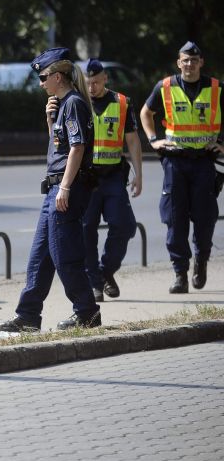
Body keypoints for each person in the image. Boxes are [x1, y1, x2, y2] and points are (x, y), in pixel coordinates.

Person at [0, 47, 101, 332]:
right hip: (54, 190)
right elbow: (61, 147)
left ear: (57, 76)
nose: (41, 83)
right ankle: (28, 316)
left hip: (65, 189)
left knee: (65, 256)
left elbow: (77, 149)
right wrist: (49, 122)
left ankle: (87, 313)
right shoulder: (62, 106)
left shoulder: (74, 103)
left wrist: (65, 187)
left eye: (43, 77)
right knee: (40, 257)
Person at [139, 41, 223, 294]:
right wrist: (154, 140)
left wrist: (221, 144)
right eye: (185, 60)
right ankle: (180, 274)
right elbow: (145, 113)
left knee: (205, 218)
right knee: (175, 221)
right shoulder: (165, 86)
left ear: (201, 63)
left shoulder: (216, 88)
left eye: (194, 60)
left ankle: (201, 261)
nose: (189, 64)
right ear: (179, 63)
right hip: (175, 162)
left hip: (204, 162)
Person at [82, 58, 142, 302]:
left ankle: (106, 270)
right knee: (86, 231)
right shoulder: (77, 102)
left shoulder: (122, 103)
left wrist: (139, 173)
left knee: (125, 225)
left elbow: (133, 140)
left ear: (105, 78)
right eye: (88, 83)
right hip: (85, 179)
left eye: (96, 82)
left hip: (113, 177)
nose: (92, 87)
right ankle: (95, 283)